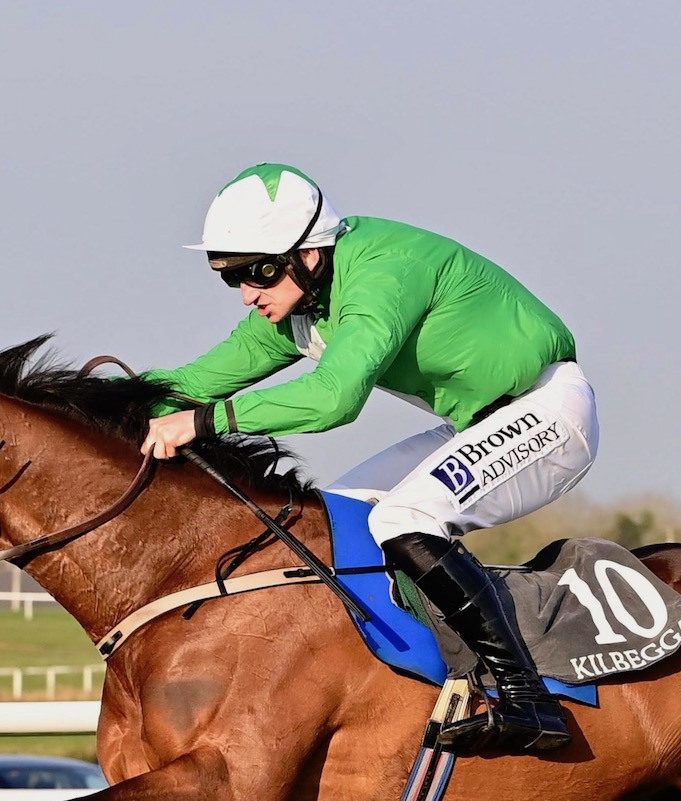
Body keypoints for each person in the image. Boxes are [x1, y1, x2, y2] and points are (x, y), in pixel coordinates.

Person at [144, 164, 599, 755]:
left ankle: (527, 698)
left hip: (551, 410)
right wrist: (89, 403)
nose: (247, 293)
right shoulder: (301, 302)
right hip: (478, 422)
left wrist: (203, 424)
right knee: (339, 516)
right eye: (230, 277)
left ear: (309, 253)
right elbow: (196, 381)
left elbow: (335, 398)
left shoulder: (380, 272)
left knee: (401, 520)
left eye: (256, 272)